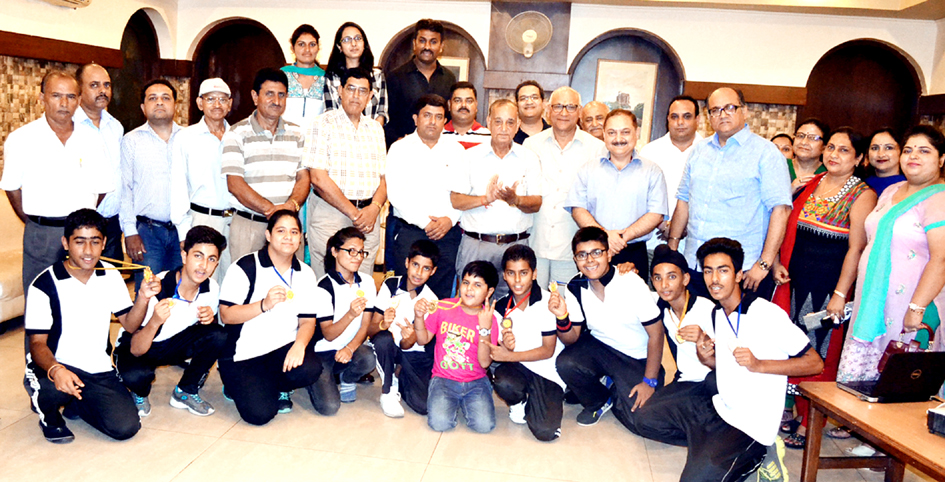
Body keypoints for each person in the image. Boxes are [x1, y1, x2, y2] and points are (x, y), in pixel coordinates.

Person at [632, 237, 822, 481]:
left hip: (751, 425)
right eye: (708, 271)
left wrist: (759, 365)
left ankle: (760, 454)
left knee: (694, 480)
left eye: (723, 271)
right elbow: (725, 365)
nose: (714, 279)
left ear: (739, 275)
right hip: (720, 408)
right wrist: (707, 358)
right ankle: (709, 446)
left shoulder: (765, 312)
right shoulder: (718, 313)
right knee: (645, 418)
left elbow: (814, 362)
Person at [771, 127, 877, 449]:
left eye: (844, 150)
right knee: (792, 347)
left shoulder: (862, 194)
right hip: (795, 284)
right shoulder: (812, 183)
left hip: (828, 290)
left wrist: (840, 294)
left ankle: (810, 421)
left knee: (820, 353)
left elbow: (856, 249)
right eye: (831, 147)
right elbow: (786, 226)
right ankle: (793, 410)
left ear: (859, 159)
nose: (834, 154)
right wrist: (777, 262)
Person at [25, 209, 152, 443]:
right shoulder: (44, 284)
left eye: (95, 242)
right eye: (79, 242)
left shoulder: (110, 274)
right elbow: (37, 343)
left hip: (97, 368)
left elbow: (130, 324)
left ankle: (78, 403)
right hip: (58, 364)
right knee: (51, 390)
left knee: (126, 428)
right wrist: (56, 370)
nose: (88, 250)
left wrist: (143, 298)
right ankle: (50, 419)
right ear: (66, 243)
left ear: (104, 243)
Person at [837, 124, 945, 384]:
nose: (913, 156)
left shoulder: (939, 199)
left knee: (899, 384)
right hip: (874, 300)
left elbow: (941, 258)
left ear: (942, 159)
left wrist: (917, 308)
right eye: (908, 150)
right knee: (860, 387)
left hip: (911, 305)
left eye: (924, 151)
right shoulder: (891, 191)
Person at [668, 87, 792, 300]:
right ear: (709, 117)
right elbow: (684, 201)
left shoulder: (766, 153)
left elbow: (781, 211)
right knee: (696, 321)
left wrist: (764, 263)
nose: (722, 114)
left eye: (730, 108)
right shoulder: (699, 151)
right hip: (695, 265)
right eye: (715, 110)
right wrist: (673, 247)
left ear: (745, 111)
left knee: (738, 323)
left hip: (742, 270)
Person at [1, 71, 111, 294]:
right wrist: (35, 221)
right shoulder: (22, 138)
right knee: (40, 297)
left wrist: (79, 219)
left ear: (78, 100)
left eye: (71, 96)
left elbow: (102, 188)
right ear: (42, 98)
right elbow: (11, 188)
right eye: (56, 95)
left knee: (82, 296)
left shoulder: (92, 139)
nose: (64, 103)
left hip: (82, 234)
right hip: (41, 234)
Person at [217, 210, 324, 425]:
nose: (288, 237)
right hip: (245, 352)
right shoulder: (245, 266)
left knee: (310, 368)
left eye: (294, 232)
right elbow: (226, 315)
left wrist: (299, 346)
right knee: (259, 415)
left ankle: (279, 386)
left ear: (300, 238)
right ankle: (236, 383)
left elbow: (307, 321)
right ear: (268, 235)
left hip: (282, 347)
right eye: (281, 231)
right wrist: (263, 305)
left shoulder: (305, 273)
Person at [552, 227, 665, 426]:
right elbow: (571, 339)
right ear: (575, 260)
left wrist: (649, 381)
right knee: (566, 363)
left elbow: (657, 333)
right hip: (602, 348)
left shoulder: (630, 282)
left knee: (638, 419)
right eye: (582, 255)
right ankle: (600, 400)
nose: (589, 260)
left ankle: (613, 383)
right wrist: (562, 317)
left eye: (596, 252)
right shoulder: (575, 286)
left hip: (636, 358)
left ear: (609, 254)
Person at [114, 226, 228, 418]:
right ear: (184, 256)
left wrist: (209, 319)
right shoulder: (157, 287)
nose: (203, 266)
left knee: (218, 334)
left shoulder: (212, 289)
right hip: (138, 345)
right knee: (136, 376)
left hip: (172, 344)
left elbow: (203, 332)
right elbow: (136, 349)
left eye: (211, 259)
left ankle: (185, 391)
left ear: (216, 264)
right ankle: (139, 393)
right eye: (198, 256)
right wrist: (154, 322)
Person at [614, 244, 715, 439]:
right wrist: (626, 273)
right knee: (639, 417)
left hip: (710, 382)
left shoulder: (706, 308)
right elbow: (629, 293)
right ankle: (698, 434)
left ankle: (706, 432)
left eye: (672, 277)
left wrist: (705, 339)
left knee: (646, 418)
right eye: (658, 278)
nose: (664, 285)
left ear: (685, 279)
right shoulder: (659, 305)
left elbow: (728, 358)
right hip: (684, 382)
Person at [450, 99, 542, 300]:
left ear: (518, 125)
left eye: (510, 122)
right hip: (477, 245)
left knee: (513, 305)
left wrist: (516, 200)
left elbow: (536, 203)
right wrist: (485, 198)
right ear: (488, 122)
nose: (504, 128)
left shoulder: (529, 158)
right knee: (471, 304)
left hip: (515, 246)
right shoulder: (469, 157)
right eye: (498, 121)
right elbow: (456, 200)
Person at [305, 68, 387, 278]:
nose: (356, 95)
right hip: (330, 214)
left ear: (370, 96)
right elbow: (318, 178)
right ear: (340, 90)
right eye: (351, 89)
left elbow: (384, 179)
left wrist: (374, 208)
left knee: (363, 281)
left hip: (368, 217)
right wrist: (353, 213)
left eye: (362, 91)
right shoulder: (322, 124)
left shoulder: (376, 129)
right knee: (328, 280)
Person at [221, 68, 309, 262]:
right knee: (247, 278)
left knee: (290, 279)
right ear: (255, 96)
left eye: (281, 95)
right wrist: (271, 210)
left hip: (287, 227)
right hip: (249, 226)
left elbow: (304, 177)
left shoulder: (298, 134)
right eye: (269, 94)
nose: (276, 101)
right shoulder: (236, 133)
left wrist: (291, 206)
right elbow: (234, 184)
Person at [566, 109, 668, 276]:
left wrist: (622, 238)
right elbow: (578, 209)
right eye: (612, 133)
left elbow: (656, 214)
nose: (618, 139)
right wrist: (605, 236)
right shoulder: (588, 169)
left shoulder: (652, 171)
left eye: (625, 132)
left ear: (636, 133)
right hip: (594, 253)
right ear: (604, 135)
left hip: (634, 251)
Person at [523, 87, 606, 287]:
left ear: (579, 111)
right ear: (548, 110)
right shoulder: (531, 145)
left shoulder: (597, 149)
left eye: (570, 107)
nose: (564, 112)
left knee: (566, 301)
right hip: (535, 241)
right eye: (558, 106)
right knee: (534, 300)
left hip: (573, 247)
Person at [386, 94, 464, 298]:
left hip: (447, 234)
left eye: (438, 117)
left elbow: (463, 191)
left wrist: (450, 220)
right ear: (416, 118)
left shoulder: (456, 150)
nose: (432, 122)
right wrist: (425, 223)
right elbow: (395, 194)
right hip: (411, 232)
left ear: (445, 121)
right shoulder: (399, 149)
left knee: (441, 296)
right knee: (406, 294)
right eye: (427, 115)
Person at [487, 244, 565, 442]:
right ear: (504, 275)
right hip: (519, 368)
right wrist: (506, 346)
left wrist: (509, 355)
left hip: (548, 372)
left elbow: (548, 350)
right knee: (503, 380)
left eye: (523, 273)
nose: (517, 280)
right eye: (511, 273)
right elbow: (499, 350)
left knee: (546, 432)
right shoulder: (500, 307)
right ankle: (519, 402)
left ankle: (542, 400)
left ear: (534, 274)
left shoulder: (549, 302)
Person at [413, 260, 499, 433]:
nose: (469, 289)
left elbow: (484, 363)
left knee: (484, 426)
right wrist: (419, 317)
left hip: (476, 381)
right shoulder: (444, 306)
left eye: (477, 285)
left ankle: (469, 400)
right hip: (443, 379)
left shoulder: (491, 319)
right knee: (439, 424)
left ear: (489, 291)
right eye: (466, 282)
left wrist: (485, 329)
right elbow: (422, 340)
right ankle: (454, 402)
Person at [120, 79, 182, 290]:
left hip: (183, 231)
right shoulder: (131, 141)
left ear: (175, 105)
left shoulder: (188, 138)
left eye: (166, 98)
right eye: (152, 98)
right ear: (143, 107)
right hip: (147, 233)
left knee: (180, 291)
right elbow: (125, 189)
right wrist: (130, 232)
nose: (159, 102)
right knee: (147, 293)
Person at [309, 227, 378, 414]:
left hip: (349, 348)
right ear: (335, 251)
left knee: (369, 358)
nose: (358, 257)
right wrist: (350, 314)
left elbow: (365, 325)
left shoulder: (367, 282)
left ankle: (347, 378)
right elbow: (328, 334)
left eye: (361, 252)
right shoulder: (324, 286)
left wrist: (349, 348)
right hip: (323, 352)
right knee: (329, 407)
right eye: (351, 251)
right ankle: (317, 380)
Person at [170, 78, 233, 279]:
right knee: (203, 282)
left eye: (223, 99)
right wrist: (184, 232)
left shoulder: (238, 135)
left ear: (230, 104)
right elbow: (178, 186)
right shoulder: (185, 137)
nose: (217, 104)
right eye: (210, 99)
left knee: (232, 282)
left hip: (235, 221)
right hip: (201, 219)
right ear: (199, 103)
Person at [369, 240, 440, 417]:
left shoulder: (432, 301)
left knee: (423, 406)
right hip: (388, 347)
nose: (419, 272)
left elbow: (410, 345)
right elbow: (371, 330)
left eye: (426, 268)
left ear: (433, 271)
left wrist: (410, 338)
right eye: (415, 265)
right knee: (383, 339)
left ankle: (400, 375)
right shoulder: (390, 285)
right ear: (407, 263)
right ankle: (388, 390)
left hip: (413, 353)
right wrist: (384, 324)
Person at [639, 95, 703, 257]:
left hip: (696, 247)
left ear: (698, 119)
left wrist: (682, 226)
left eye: (687, 116)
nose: (680, 122)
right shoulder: (650, 152)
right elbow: (639, 197)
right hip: (654, 243)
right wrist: (663, 225)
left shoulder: (709, 152)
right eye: (674, 117)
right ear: (667, 119)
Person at [74, 63, 125, 263]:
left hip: (112, 224)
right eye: (94, 85)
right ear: (79, 90)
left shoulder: (116, 127)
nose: (102, 90)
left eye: (106, 85)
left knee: (110, 279)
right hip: (80, 226)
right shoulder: (70, 126)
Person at [385, 19, 456, 147]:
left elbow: (450, 118)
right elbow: (388, 118)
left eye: (433, 42)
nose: (427, 47)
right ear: (414, 44)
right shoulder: (396, 77)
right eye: (422, 41)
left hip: (439, 150)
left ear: (441, 47)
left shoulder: (449, 78)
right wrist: (399, 141)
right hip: (406, 149)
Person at [324, 22, 387, 126]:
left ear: (364, 44)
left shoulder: (377, 75)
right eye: (347, 40)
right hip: (339, 133)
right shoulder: (332, 78)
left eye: (358, 38)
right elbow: (330, 113)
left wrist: (370, 133)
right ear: (339, 46)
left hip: (371, 133)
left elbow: (381, 113)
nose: (353, 44)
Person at [280, 24, 326, 126]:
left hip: (317, 135)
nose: (307, 49)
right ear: (292, 48)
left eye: (312, 44)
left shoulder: (326, 79)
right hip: (285, 134)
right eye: (301, 44)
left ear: (318, 48)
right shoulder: (281, 76)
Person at [442, 81, 490, 149]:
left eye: (469, 101)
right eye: (458, 100)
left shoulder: (488, 137)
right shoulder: (438, 135)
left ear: (476, 105)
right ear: (449, 105)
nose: (463, 105)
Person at [789, 119, 829, 193]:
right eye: (800, 136)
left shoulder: (828, 173)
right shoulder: (779, 165)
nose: (804, 142)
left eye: (813, 138)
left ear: (824, 147)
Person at [864, 127, 907, 196]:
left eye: (889, 148)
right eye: (875, 148)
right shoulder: (860, 185)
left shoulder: (909, 186)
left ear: (901, 151)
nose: (881, 154)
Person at [513, 80, 549, 144]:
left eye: (534, 97)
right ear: (516, 105)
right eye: (523, 98)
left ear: (543, 103)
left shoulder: (554, 134)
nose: (529, 102)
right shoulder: (509, 136)